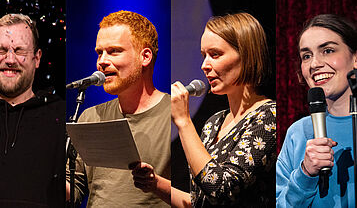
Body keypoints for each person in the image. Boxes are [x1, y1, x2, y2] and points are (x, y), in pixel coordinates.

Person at [132, 12, 276, 207]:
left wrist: (183, 121)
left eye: (215, 55)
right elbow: (200, 201)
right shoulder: (214, 122)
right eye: (203, 55)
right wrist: (154, 183)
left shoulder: (268, 117)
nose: (204, 65)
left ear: (246, 55)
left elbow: (221, 190)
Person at [66, 10, 171, 207]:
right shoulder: (91, 116)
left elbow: (195, 196)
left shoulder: (176, 114)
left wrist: (155, 183)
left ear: (145, 57)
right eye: (99, 52)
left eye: (114, 51)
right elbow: (76, 186)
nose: (102, 61)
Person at [0, 14, 65, 207]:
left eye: (19, 51)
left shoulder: (62, 116)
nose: (10, 59)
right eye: (1, 50)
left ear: (37, 58)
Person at [276, 14, 357, 207]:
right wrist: (305, 173)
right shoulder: (299, 132)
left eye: (328, 51)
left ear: (355, 58)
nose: (314, 64)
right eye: (306, 56)